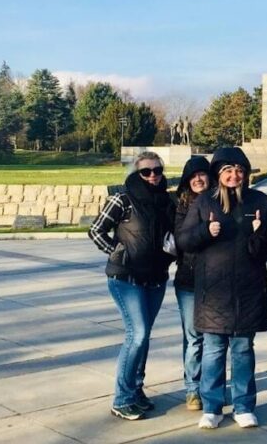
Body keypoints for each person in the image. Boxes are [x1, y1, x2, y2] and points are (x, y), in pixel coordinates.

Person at [176, 147, 267, 430]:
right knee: (212, 350)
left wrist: (262, 231)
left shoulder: (259, 200)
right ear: (218, 174)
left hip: (248, 290)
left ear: (245, 174)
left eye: (238, 170)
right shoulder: (204, 203)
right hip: (213, 291)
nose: (233, 175)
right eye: (227, 171)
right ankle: (212, 406)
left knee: (243, 350)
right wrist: (204, 232)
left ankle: (244, 405)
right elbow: (184, 240)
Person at [89, 151, 175, 421]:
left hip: (155, 277)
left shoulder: (166, 200)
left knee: (145, 336)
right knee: (136, 334)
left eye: (157, 170)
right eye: (146, 171)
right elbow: (96, 230)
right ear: (136, 173)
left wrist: (171, 252)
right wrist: (117, 251)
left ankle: (136, 391)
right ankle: (122, 398)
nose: (153, 176)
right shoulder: (122, 199)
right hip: (126, 278)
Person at [172, 156, 211, 412]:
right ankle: (193, 389)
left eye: (202, 174)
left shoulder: (221, 202)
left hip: (216, 280)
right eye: (192, 176)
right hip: (188, 279)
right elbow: (179, 240)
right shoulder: (179, 206)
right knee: (194, 337)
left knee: (215, 338)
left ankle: (212, 386)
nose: (198, 179)